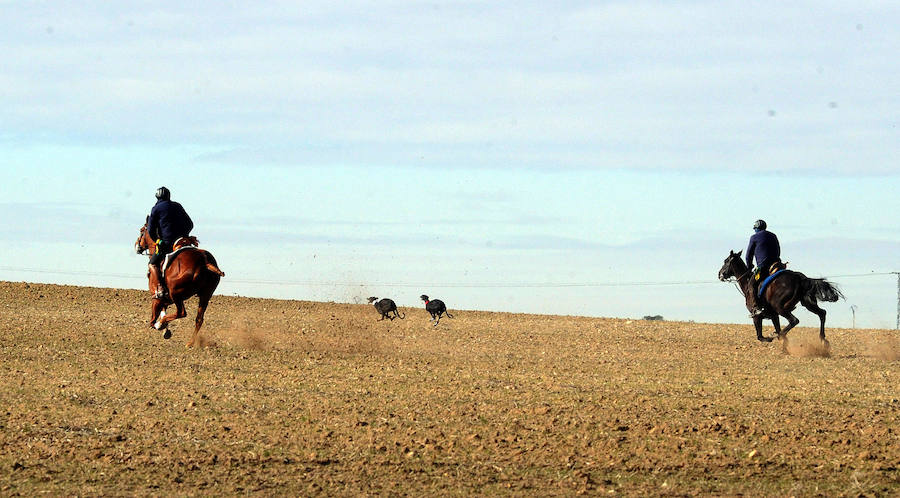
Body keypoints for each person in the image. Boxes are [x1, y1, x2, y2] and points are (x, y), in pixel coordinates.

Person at [147, 186, 193, 300]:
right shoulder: (177, 205)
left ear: (157, 197)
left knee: (152, 264)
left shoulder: (156, 209)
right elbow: (190, 224)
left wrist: (158, 240)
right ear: (168, 196)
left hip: (167, 242)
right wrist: (184, 235)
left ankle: (160, 287)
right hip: (182, 241)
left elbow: (150, 229)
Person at [744, 219, 782, 317]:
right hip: (776, 265)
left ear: (756, 228)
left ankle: (756, 308)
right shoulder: (773, 235)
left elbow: (748, 255)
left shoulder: (754, 237)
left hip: (763, 267)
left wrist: (749, 267)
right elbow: (778, 250)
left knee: (751, 285)